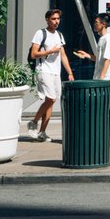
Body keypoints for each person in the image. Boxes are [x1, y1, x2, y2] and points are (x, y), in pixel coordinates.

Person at [27, 8, 74, 142]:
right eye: (53, 19)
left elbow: (63, 55)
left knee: (51, 102)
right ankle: (34, 122)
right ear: (47, 19)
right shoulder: (40, 33)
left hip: (55, 72)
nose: (56, 21)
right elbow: (33, 54)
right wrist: (50, 51)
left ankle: (42, 132)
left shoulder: (59, 35)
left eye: (58, 19)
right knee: (51, 99)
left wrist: (70, 72)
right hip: (43, 70)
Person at [75, 13, 110, 137]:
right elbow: (100, 59)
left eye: (96, 22)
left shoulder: (108, 39)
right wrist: (87, 56)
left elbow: (107, 60)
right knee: (97, 106)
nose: (95, 24)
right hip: (101, 79)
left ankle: (108, 129)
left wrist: (101, 79)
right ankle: (109, 127)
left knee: (99, 106)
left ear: (103, 24)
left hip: (104, 80)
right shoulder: (102, 39)